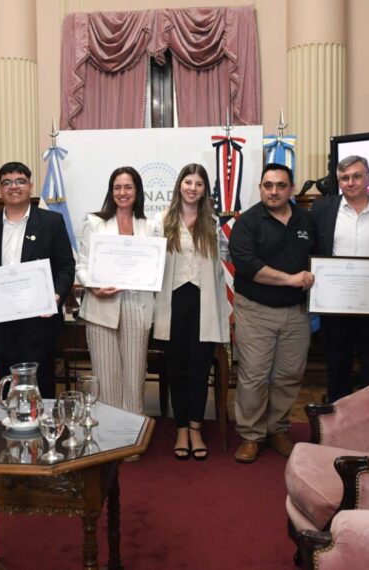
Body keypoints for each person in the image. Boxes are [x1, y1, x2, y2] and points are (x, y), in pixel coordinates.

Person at [229, 163, 316, 463]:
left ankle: (277, 429)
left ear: (291, 189)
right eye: (268, 185)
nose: (274, 191)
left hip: (296, 312)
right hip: (256, 311)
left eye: (281, 185)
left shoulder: (306, 219)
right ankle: (251, 435)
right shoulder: (248, 222)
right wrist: (291, 279)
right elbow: (248, 266)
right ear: (260, 188)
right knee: (254, 376)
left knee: (288, 375)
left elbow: (320, 259)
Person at [0, 162, 75, 399]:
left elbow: (66, 266)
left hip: (38, 321)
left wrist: (55, 296)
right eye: (7, 182)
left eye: (20, 181)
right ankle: (10, 431)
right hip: (0, 322)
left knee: (40, 383)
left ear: (30, 186)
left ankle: (44, 433)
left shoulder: (51, 222)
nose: (13, 187)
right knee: (6, 383)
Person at [152, 164, 230, 461]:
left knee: (199, 370)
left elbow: (227, 259)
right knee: (177, 370)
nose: (192, 188)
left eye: (199, 183)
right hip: (173, 304)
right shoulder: (163, 221)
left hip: (204, 304)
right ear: (179, 186)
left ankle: (196, 427)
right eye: (188, 182)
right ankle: (181, 427)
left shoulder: (213, 222)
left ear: (204, 190)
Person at [310, 155, 369, 403]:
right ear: (338, 181)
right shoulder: (322, 209)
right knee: (337, 366)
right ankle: (339, 421)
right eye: (345, 178)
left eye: (357, 176)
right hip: (335, 305)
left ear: (368, 177)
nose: (351, 182)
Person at [76, 166, 154, 414]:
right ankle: (111, 439)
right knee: (106, 376)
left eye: (128, 187)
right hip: (101, 305)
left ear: (137, 191)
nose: (122, 192)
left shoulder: (149, 226)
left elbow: (154, 268)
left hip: (136, 305)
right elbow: (82, 265)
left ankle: (133, 436)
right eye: (117, 187)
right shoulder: (95, 223)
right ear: (111, 191)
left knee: (134, 376)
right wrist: (93, 285)